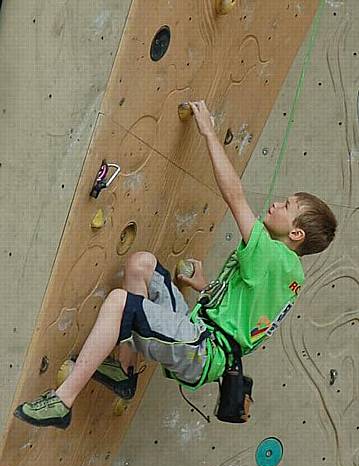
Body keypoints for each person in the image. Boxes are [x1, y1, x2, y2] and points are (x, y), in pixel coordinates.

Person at [14, 100, 337, 429]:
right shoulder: (287, 272)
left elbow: (234, 196)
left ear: (296, 233)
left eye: (286, 205)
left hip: (202, 348)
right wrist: (206, 288)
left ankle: (63, 401)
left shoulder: (274, 254)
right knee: (142, 265)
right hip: (204, 338)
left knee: (119, 303)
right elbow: (247, 312)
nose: (276, 203)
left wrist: (209, 133)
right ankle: (124, 370)